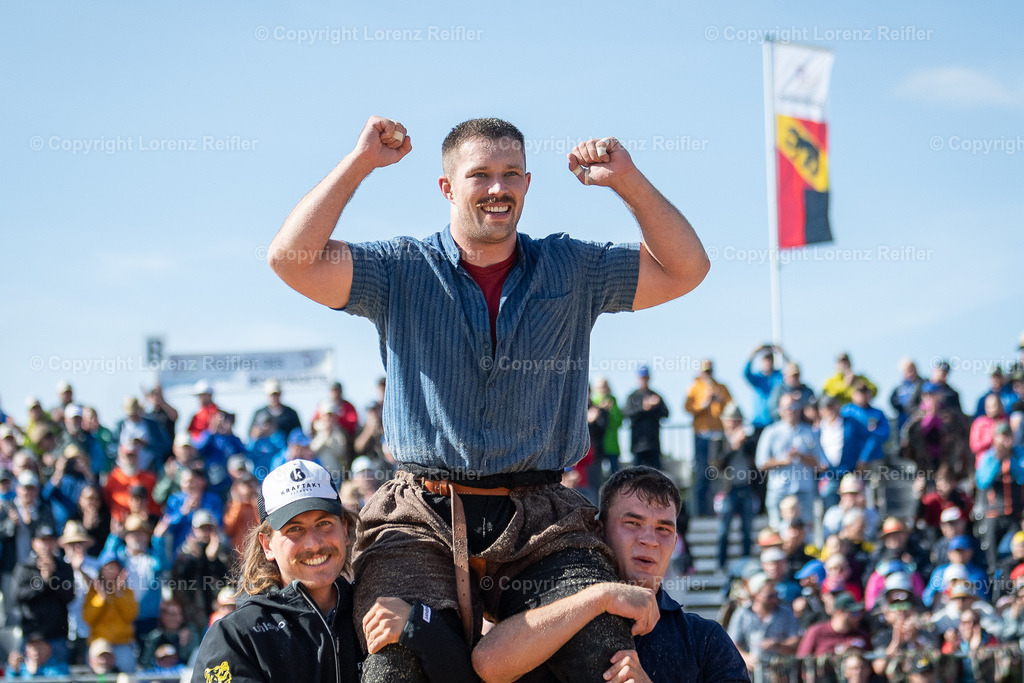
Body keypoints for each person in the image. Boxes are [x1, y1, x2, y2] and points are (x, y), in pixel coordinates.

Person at [267, 115, 710, 679]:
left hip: (542, 518)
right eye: (480, 175)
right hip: (421, 515)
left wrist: (627, 180)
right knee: (393, 664)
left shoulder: (573, 267)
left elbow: (687, 269)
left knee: (604, 651)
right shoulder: (401, 268)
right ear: (447, 187)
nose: (498, 188)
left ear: (527, 183)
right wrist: (360, 163)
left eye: (511, 174)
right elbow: (291, 259)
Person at [468, 466, 750, 681]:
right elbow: (487, 664)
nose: (649, 540)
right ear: (598, 532)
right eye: (633, 523)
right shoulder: (555, 610)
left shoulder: (704, 640)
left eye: (663, 529)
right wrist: (601, 597)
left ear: (675, 543)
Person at [190, 459, 363, 683]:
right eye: (294, 529)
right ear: (267, 545)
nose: (314, 544)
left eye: (324, 523)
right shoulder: (236, 637)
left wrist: (408, 630)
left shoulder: (375, 609)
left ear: (345, 530)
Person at [755, 394, 824, 528]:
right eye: (787, 407)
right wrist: (783, 461)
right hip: (779, 490)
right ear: (780, 410)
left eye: (794, 407)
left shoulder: (810, 432)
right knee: (777, 529)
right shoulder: (771, 432)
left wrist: (800, 456)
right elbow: (761, 463)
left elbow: (819, 463)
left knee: (805, 531)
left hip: (804, 490)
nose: (791, 411)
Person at [684, 359, 732, 517]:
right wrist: (705, 403)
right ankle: (702, 512)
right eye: (705, 371)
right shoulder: (694, 387)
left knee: (718, 474)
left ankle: (720, 510)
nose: (707, 374)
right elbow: (688, 408)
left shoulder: (721, 387)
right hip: (702, 436)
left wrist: (719, 400)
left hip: (718, 436)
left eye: (709, 371)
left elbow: (731, 407)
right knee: (702, 473)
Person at [625, 366, 671, 470]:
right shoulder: (632, 397)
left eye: (645, 378)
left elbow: (666, 414)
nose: (644, 380)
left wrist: (656, 406)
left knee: (655, 474)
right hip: (637, 444)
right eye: (642, 378)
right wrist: (643, 408)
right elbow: (627, 414)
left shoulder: (655, 396)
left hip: (653, 444)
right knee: (637, 474)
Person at [743, 344, 786, 438]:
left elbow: (790, 372)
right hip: (758, 424)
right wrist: (754, 352)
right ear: (761, 362)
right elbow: (745, 373)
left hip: (775, 422)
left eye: (770, 360)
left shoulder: (778, 376)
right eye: (765, 360)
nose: (768, 363)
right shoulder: (757, 378)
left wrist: (783, 354)